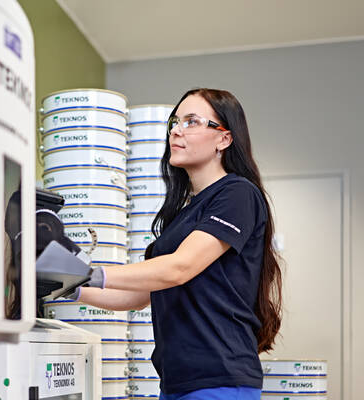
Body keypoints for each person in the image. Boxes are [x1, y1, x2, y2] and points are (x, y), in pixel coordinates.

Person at [70, 88, 283, 399]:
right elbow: (140, 295)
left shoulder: (237, 194)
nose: (176, 131)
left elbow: (179, 268)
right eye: (174, 122)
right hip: (177, 382)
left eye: (191, 121)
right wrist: (66, 287)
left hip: (218, 378)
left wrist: (90, 272)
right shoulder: (184, 215)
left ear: (224, 139)